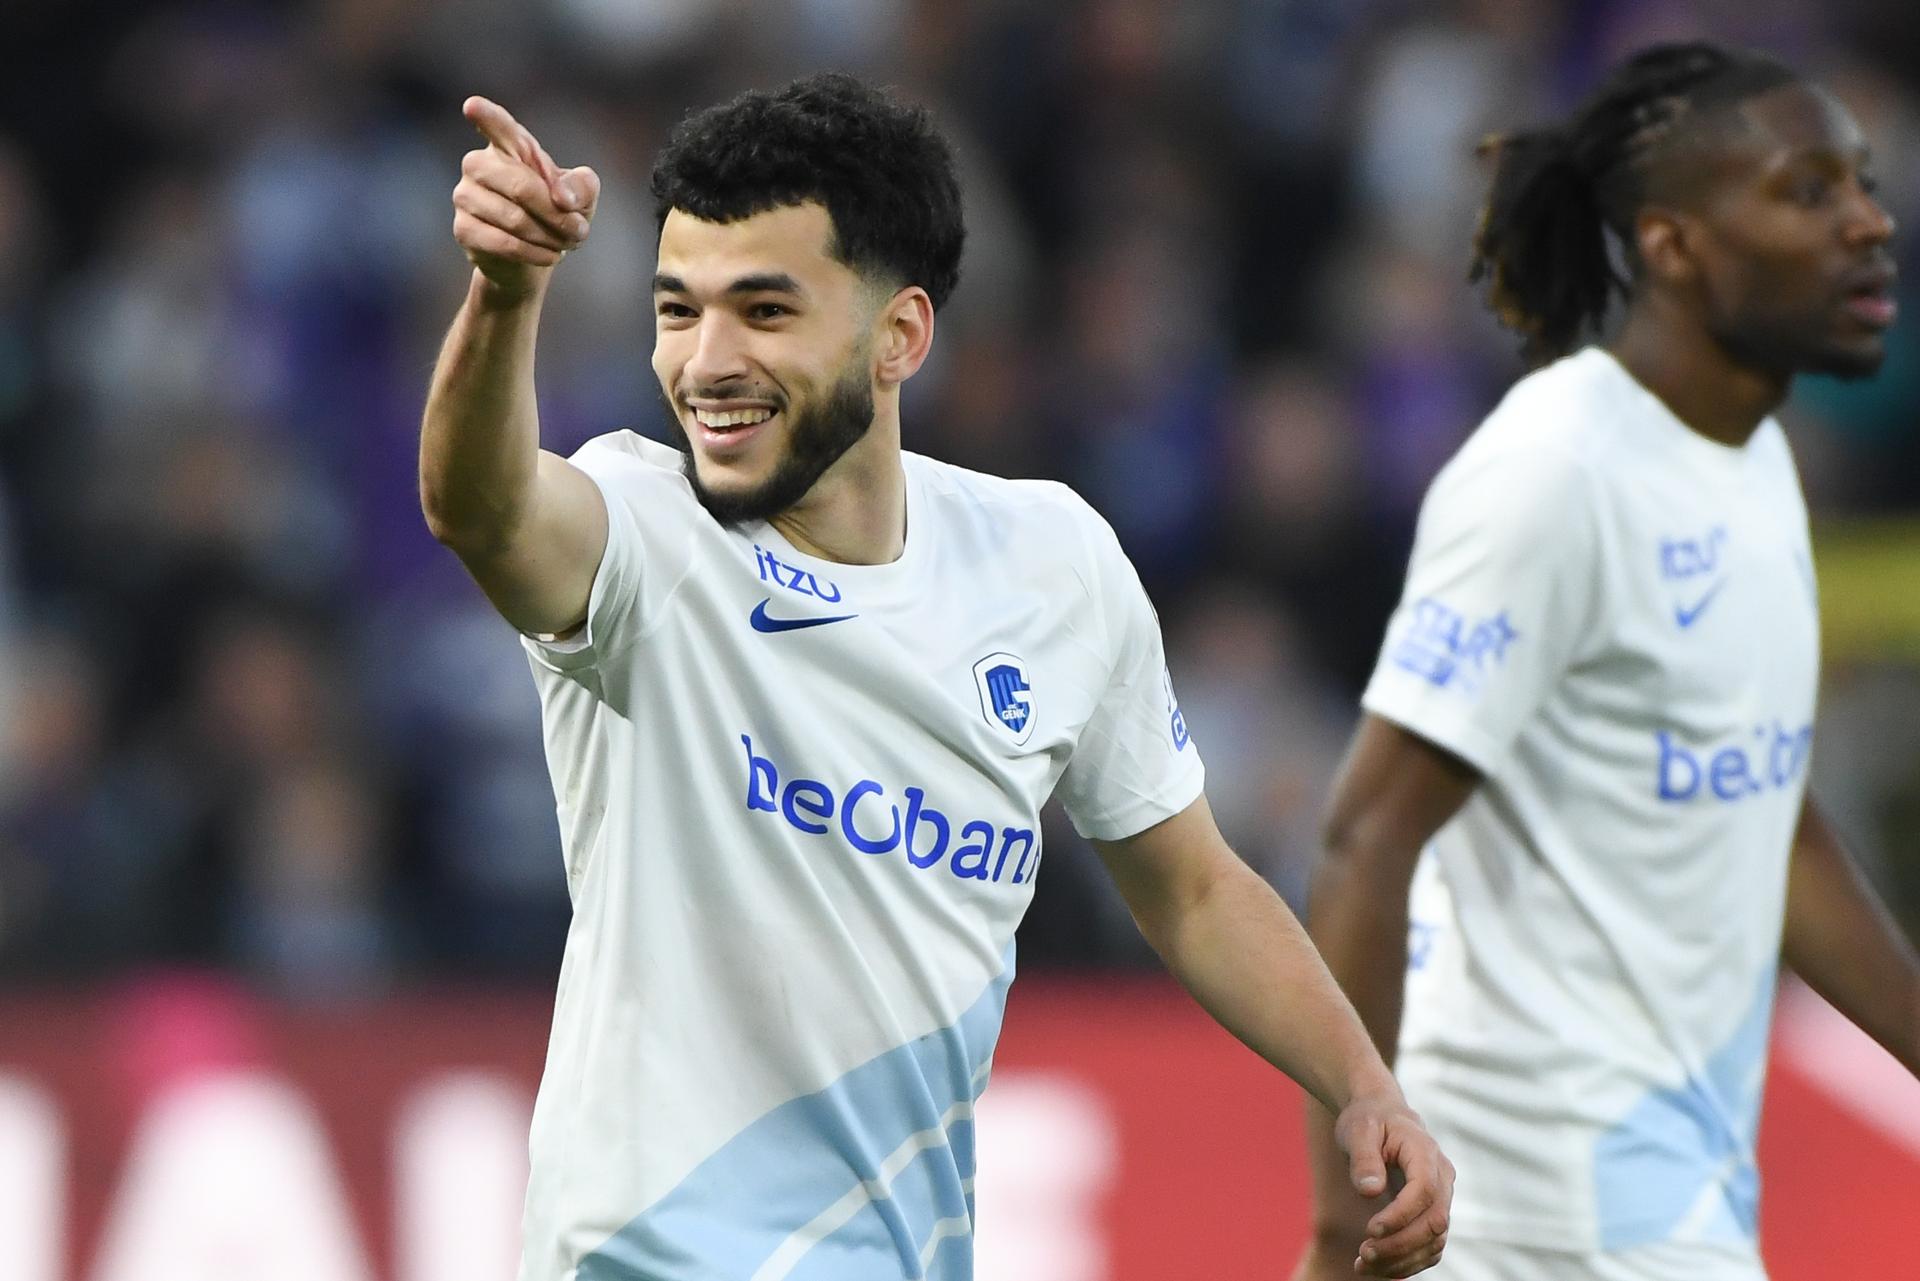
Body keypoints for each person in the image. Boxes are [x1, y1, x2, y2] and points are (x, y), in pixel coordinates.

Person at [420, 73, 1451, 1281]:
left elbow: (1193, 889)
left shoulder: (1050, 565)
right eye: (677, 310)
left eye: (762, 310)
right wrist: (505, 291)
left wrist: (1362, 1086)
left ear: (900, 334)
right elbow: (479, 506)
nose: (705, 362)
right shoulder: (647, 537)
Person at [1294, 40, 1919, 1281]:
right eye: (1808, 190)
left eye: (1862, 182)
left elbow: (1769, 820)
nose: (1867, 222)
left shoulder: (1752, 464)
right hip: (1532, 1221)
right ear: (1674, 244)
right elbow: (1366, 840)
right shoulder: (1556, 472)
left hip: (1677, 1205)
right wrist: (1341, 1224)